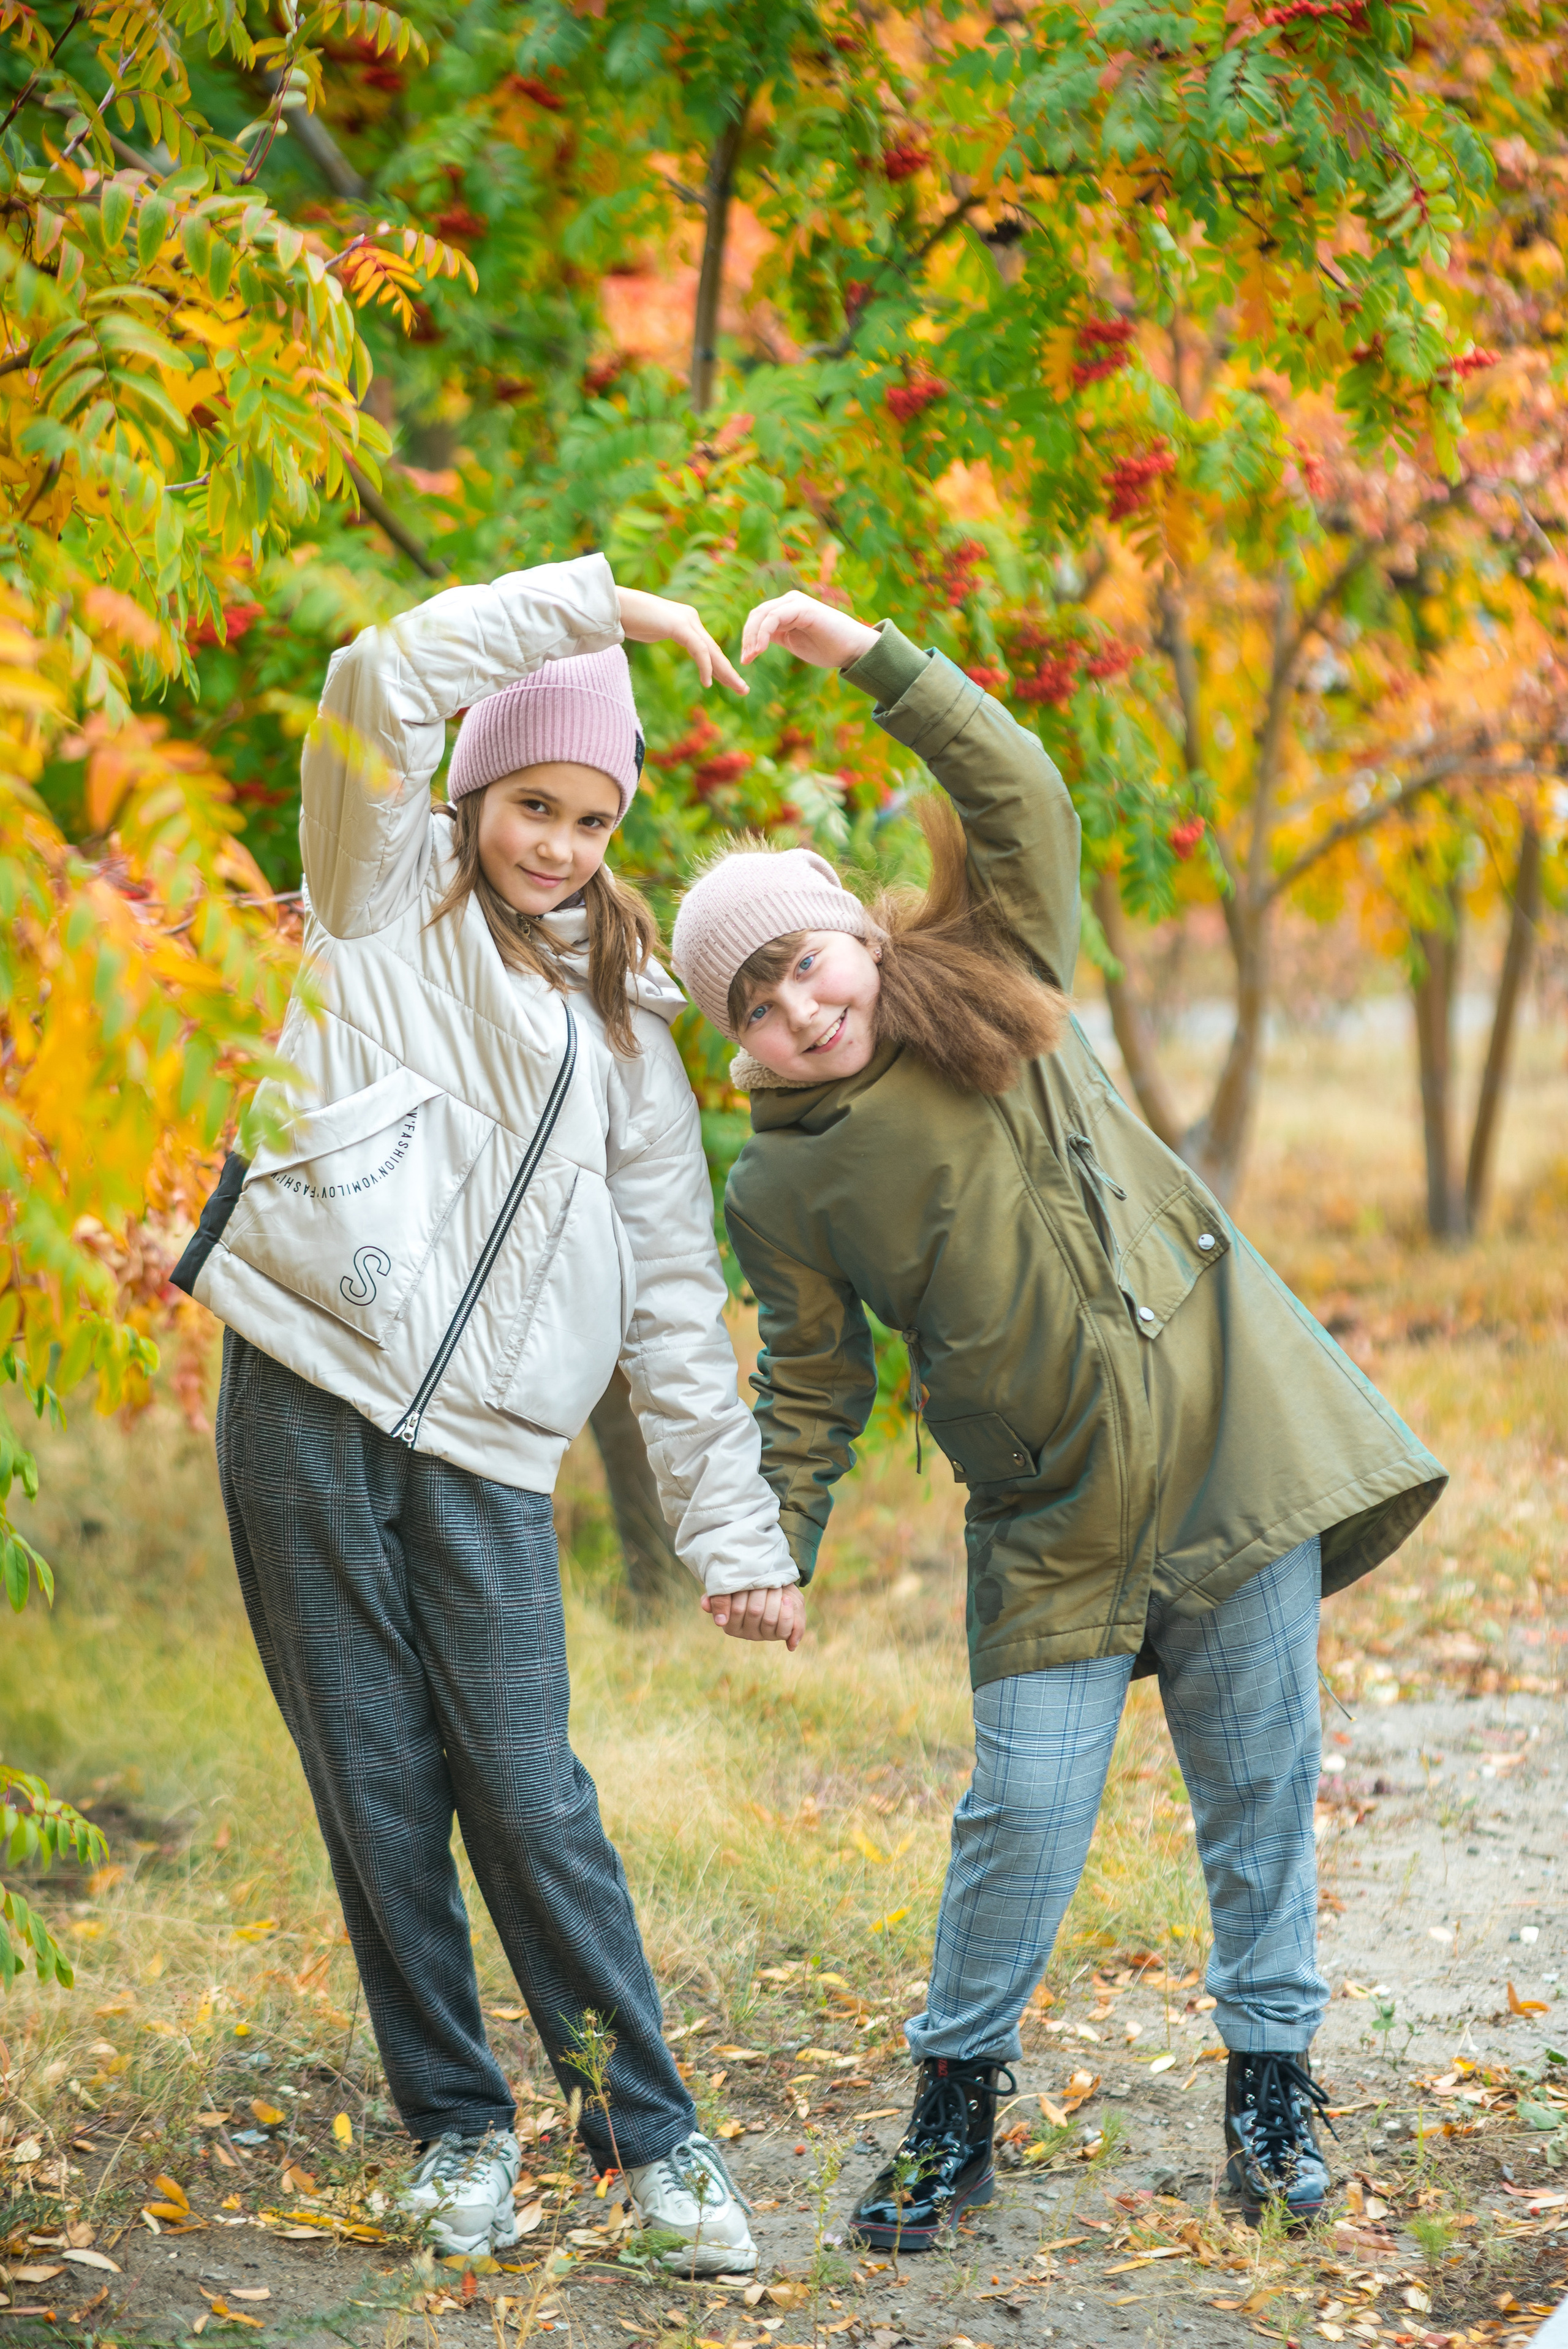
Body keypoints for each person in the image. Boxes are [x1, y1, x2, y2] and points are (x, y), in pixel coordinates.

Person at [673, 589, 1447, 2245]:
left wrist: (866, 653)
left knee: (1262, 1784)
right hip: (1053, 1514)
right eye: (756, 1002)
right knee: (1022, 1816)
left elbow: (1019, 787)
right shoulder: (785, 1180)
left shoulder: (993, 963)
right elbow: (811, 1380)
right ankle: (953, 2110)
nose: (803, 1006)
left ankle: (1270, 2096)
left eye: (803, 960)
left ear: (849, 934)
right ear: (737, 1039)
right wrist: (770, 1543)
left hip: (1233, 1440)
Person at [182, 556, 806, 2269]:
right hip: (305, 1389)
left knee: (530, 1795)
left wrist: (731, 1532)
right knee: (373, 1781)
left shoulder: (629, 1036)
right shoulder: (378, 891)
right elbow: (379, 670)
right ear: (474, 792)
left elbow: (679, 1300)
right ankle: (456, 2133)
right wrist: (595, 612)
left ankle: (655, 2143)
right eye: (534, 802)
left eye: (593, 819)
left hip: (484, 1453)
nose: (558, 843)